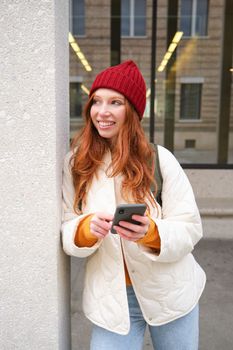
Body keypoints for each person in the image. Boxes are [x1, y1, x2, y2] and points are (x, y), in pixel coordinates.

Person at [61, 60, 206, 350]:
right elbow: (66, 225)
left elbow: (190, 229)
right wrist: (84, 230)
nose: (102, 112)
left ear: (133, 111)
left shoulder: (160, 159)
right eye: (96, 101)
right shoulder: (76, 163)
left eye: (115, 102)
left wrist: (151, 233)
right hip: (112, 302)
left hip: (171, 294)